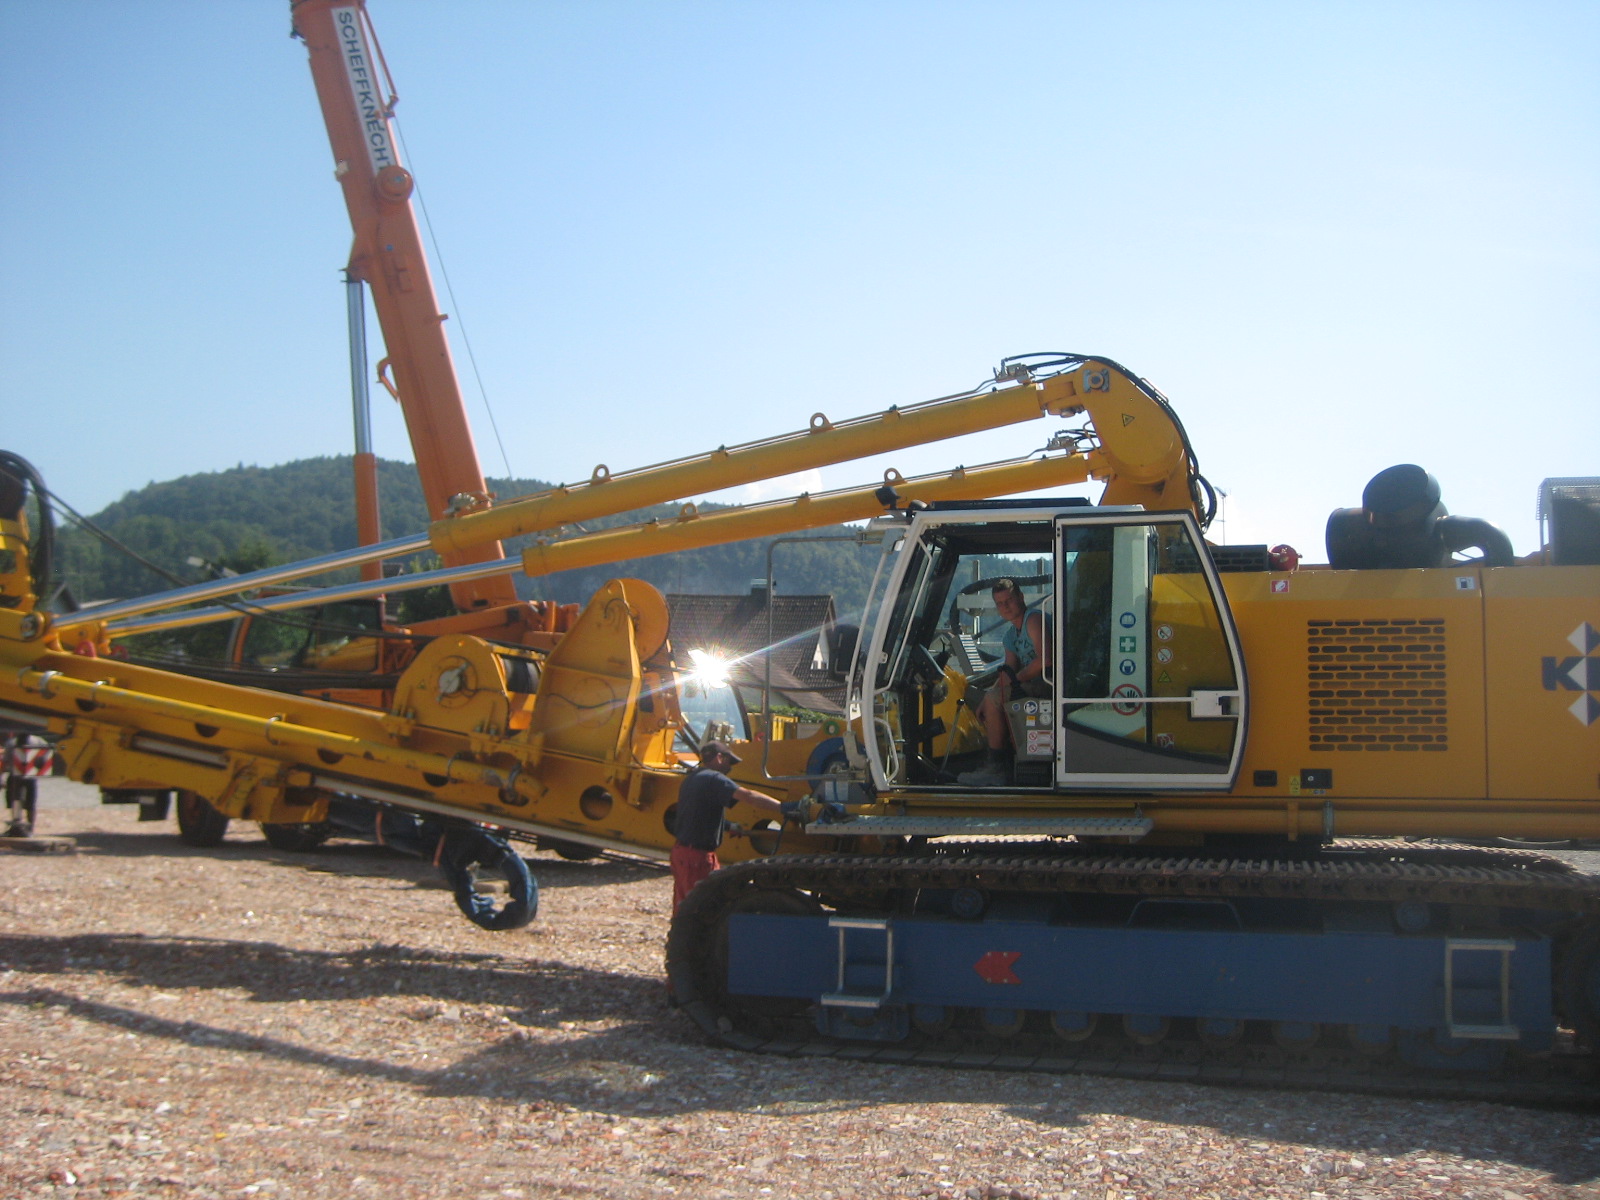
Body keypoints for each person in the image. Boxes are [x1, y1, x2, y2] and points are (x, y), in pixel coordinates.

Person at [671, 740, 789, 913]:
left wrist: (728, 826)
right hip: (696, 858)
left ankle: (682, 930)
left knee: (686, 905)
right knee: (698, 909)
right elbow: (749, 796)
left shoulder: (692, 778)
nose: (730, 767)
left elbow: (696, 814)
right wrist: (784, 808)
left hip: (684, 853)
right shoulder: (714, 778)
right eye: (729, 761)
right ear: (719, 757)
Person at [957, 578, 1050, 787]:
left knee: (995, 700)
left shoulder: (1033, 619)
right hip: (1032, 685)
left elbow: (1045, 660)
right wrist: (985, 700)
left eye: (1009, 601)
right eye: (1000, 603)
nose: (1005, 607)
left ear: (1021, 598)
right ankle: (1006, 760)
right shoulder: (1010, 636)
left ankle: (996, 768)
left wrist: (1012, 683)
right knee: (991, 699)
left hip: (1050, 682)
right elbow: (1007, 671)